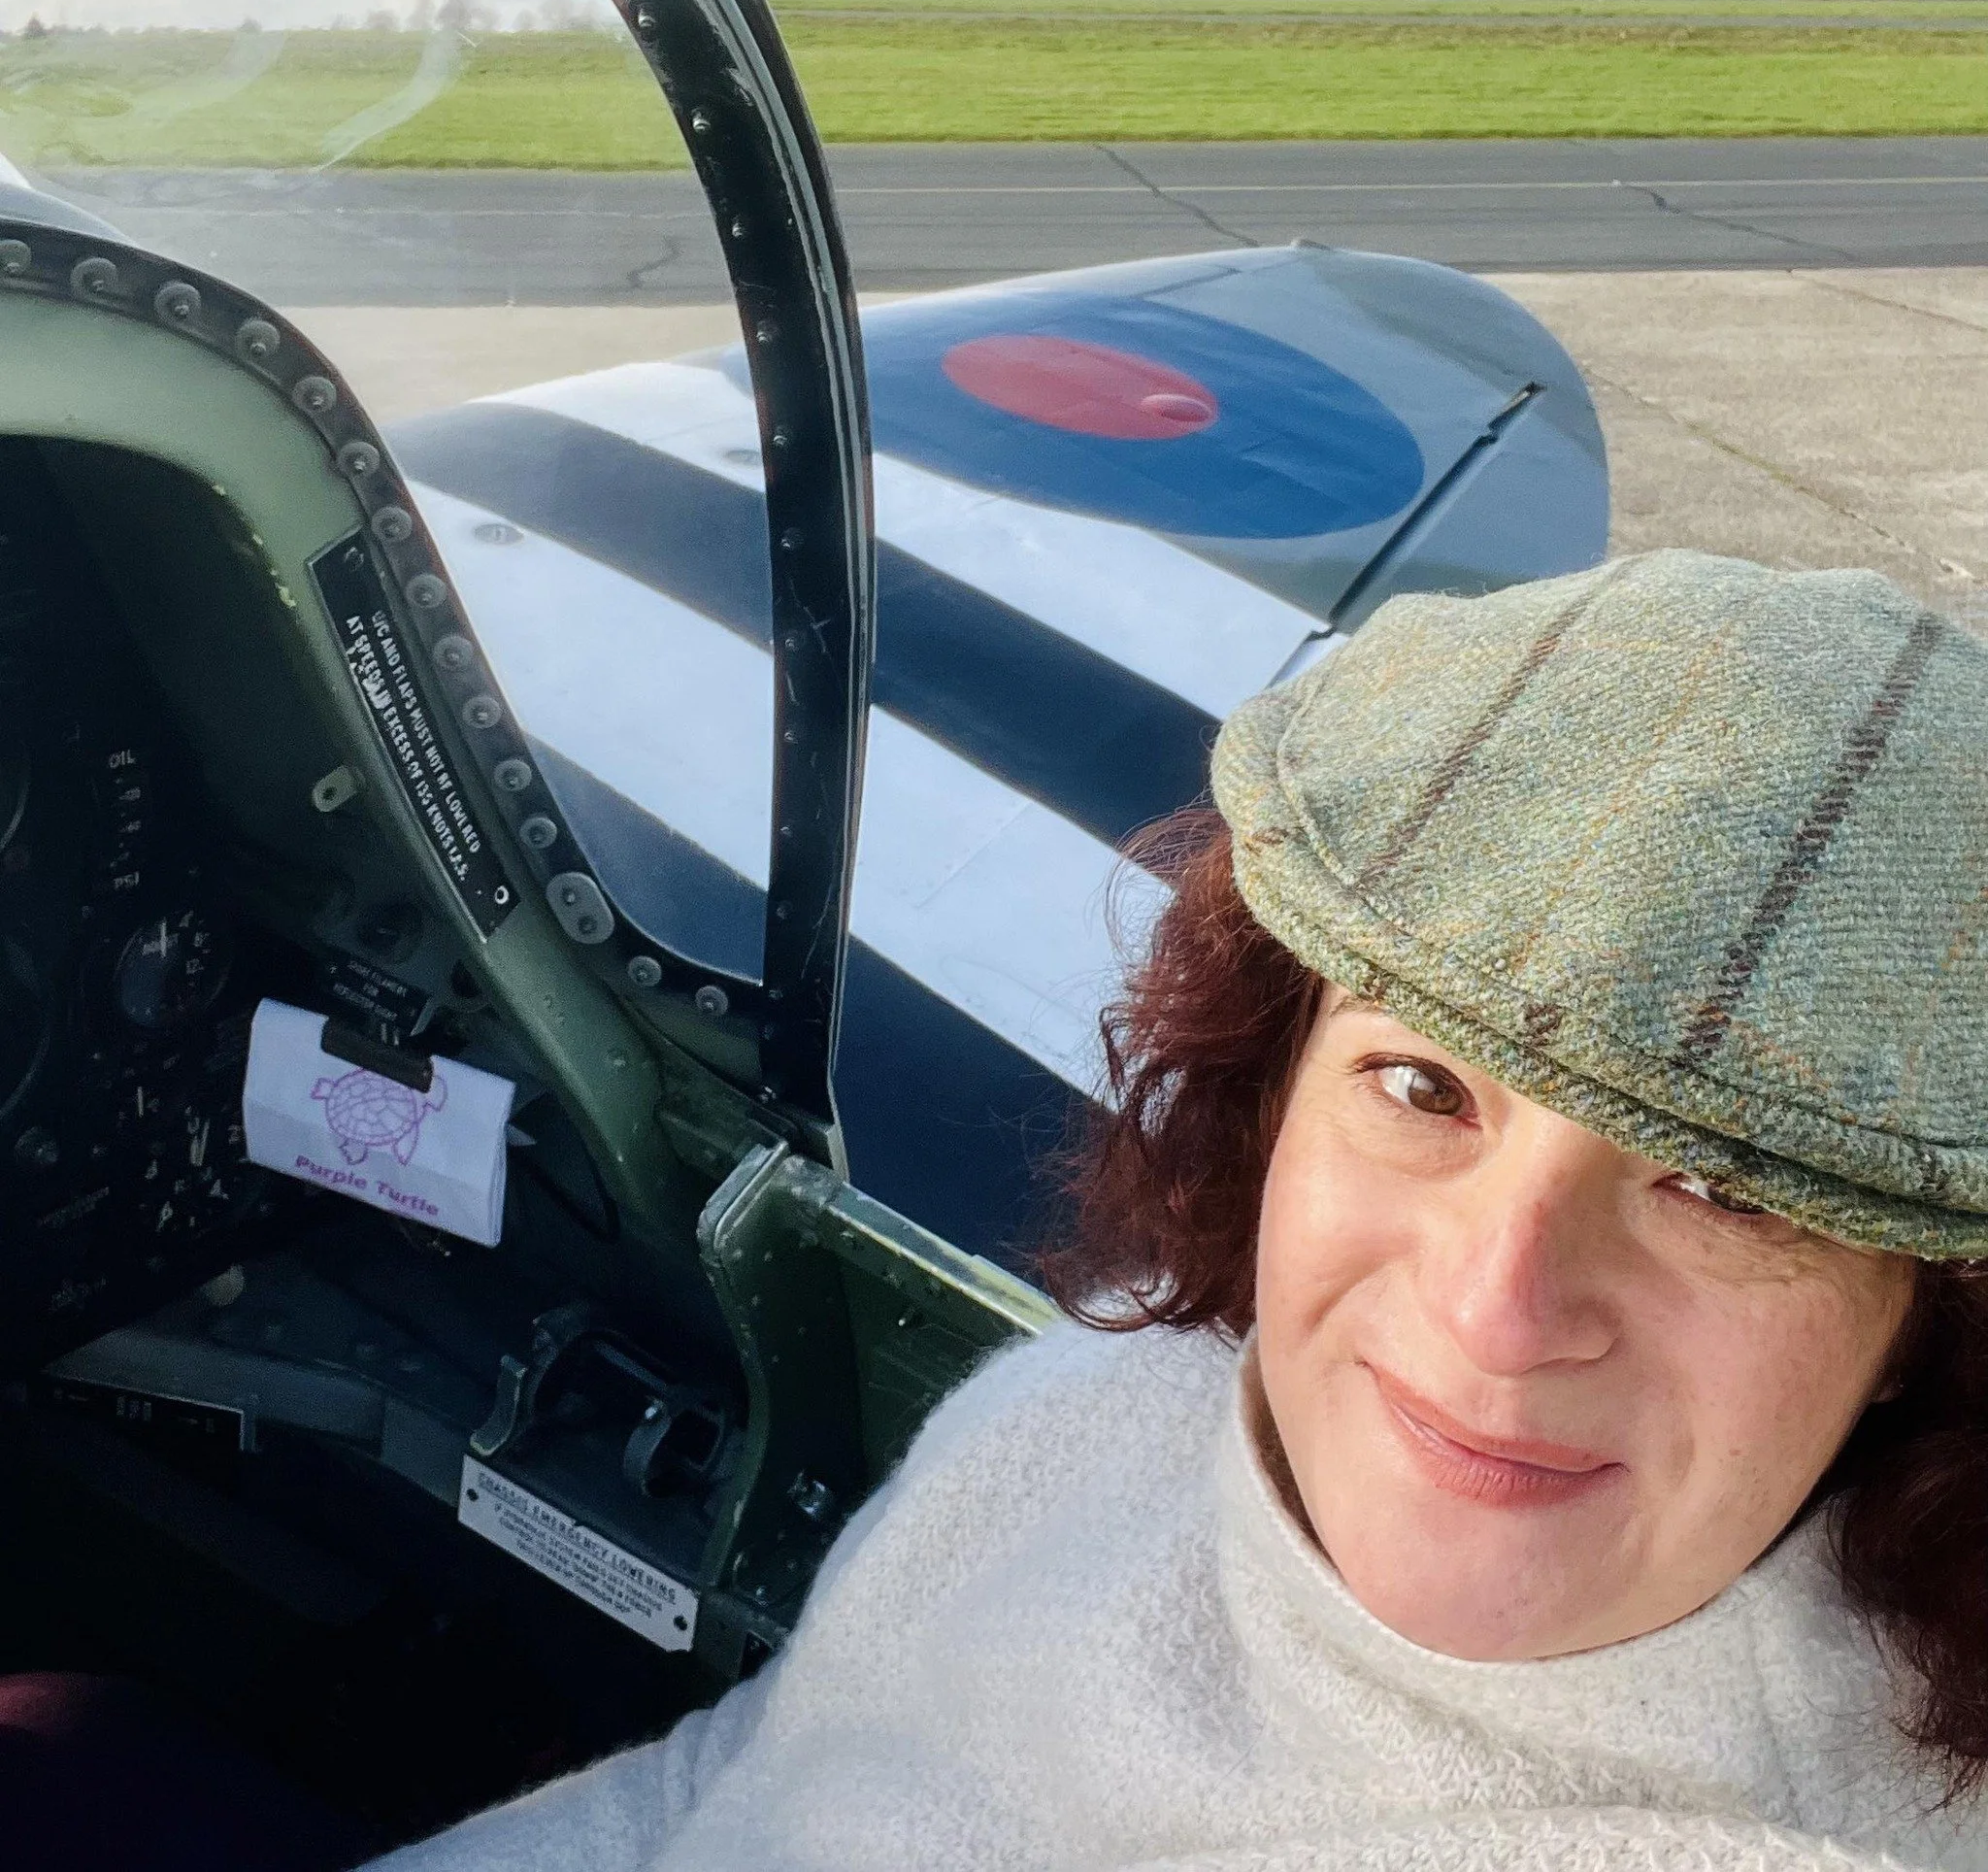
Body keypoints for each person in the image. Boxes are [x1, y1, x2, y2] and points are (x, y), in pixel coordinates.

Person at [372, 551, 1988, 1871]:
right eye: (1424, 1088)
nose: (1498, 1312)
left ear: (1927, 1315)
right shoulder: (1108, 1401)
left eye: (1723, 1188)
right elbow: (730, 1790)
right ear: (1275, 1093)